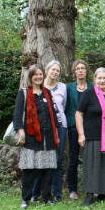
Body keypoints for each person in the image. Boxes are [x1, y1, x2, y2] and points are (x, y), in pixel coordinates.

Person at [13, 64, 60, 209]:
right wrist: (20, 131)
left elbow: (53, 114)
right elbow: (17, 115)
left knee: (48, 170)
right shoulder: (24, 93)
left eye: (40, 74)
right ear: (31, 77)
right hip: (31, 138)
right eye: (36, 74)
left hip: (48, 137)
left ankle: (47, 197)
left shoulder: (47, 93)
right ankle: (25, 199)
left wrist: (56, 134)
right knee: (29, 170)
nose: (38, 77)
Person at [76, 67, 105, 206]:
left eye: (104, 78)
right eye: (99, 78)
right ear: (94, 79)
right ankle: (90, 194)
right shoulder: (88, 94)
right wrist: (81, 134)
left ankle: (103, 192)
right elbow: (78, 113)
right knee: (92, 165)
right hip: (93, 136)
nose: (102, 81)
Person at [64, 60, 92, 200]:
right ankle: (72, 189)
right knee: (73, 159)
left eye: (83, 68)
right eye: (78, 69)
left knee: (90, 159)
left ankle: (90, 188)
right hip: (73, 128)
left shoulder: (93, 87)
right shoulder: (68, 88)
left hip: (90, 128)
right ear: (74, 72)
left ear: (86, 71)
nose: (80, 71)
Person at [41, 60, 67, 202]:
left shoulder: (62, 87)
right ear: (47, 70)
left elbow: (63, 105)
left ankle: (56, 192)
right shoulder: (39, 86)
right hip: (44, 128)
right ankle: (43, 191)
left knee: (58, 159)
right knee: (44, 159)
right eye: (53, 70)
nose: (55, 72)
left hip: (61, 126)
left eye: (57, 71)